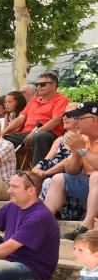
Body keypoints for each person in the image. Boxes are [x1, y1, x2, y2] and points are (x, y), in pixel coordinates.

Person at [44, 103, 98, 240]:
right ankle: (43, 221)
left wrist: (81, 149)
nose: (75, 121)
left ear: (94, 119)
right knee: (58, 178)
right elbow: (71, 170)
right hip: (89, 186)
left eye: (79, 118)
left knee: (96, 176)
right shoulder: (83, 139)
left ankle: (88, 223)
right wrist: (75, 153)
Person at [7, 72, 70, 163]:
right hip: (26, 134)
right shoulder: (33, 101)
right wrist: (2, 132)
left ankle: (38, 172)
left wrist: (36, 131)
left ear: (54, 85)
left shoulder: (62, 100)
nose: (38, 87)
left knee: (39, 136)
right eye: (37, 85)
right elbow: (20, 119)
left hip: (48, 133)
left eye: (43, 84)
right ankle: (11, 173)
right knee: (3, 140)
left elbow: (56, 120)